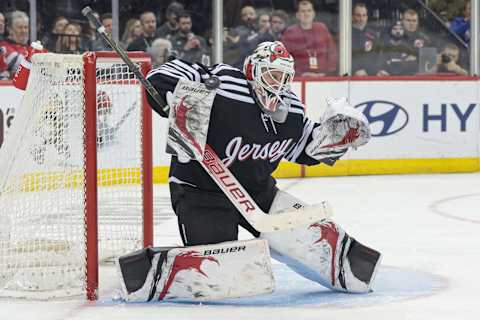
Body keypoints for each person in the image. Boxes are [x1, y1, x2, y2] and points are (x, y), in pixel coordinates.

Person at [141, 41, 380, 299]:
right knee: (218, 271)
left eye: (284, 77)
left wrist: (332, 138)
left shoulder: (290, 109)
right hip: (202, 193)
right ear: (254, 70)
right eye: (272, 75)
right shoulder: (227, 83)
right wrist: (173, 91)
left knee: (307, 237)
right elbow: (172, 72)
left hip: (257, 192)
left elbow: (301, 147)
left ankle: (344, 264)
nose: (278, 84)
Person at [281, 0, 337, 76]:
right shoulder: (290, 32)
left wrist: (327, 73)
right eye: (303, 11)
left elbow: (332, 53)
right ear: (297, 15)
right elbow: (283, 59)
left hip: (323, 77)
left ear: (313, 13)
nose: (306, 14)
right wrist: (300, 74)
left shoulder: (322, 29)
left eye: (309, 11)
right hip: (299, 79)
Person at [351, 3, 381, 76]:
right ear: (352, 17)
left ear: (367, 17)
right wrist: (355, 70)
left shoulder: (373, 35)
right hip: (352, 76)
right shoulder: (346, 35)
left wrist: (377, 70)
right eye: (358, 15)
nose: (361, 19)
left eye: (364, 15)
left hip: (371, 75)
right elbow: (343, 59)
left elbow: (379, 56)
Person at [0, 11, 30, 79]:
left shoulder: (28, 48)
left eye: (26, 27)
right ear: (10, 29)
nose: (24, 31)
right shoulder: (3, 48)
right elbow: (26, 65)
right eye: (20, 27)